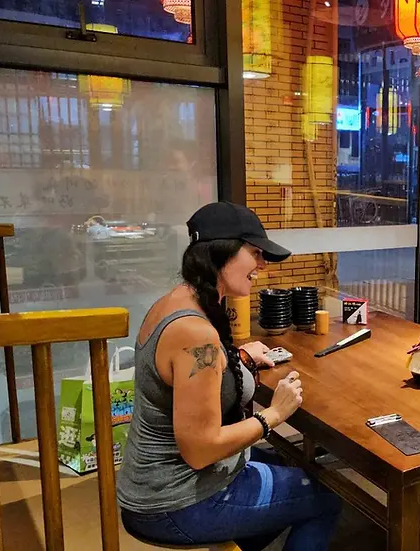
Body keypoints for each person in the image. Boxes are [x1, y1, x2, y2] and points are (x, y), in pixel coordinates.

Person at [116, 202, 341, 550]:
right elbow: (202, 450)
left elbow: (191, 374)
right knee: (326, 499)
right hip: (175, 502)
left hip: (158, 489)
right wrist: (274, 415)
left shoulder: (179, 302)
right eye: (255, 253)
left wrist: (235, 357)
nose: (262, 265)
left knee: (285, 464)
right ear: (221, 253)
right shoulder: (195, 334)